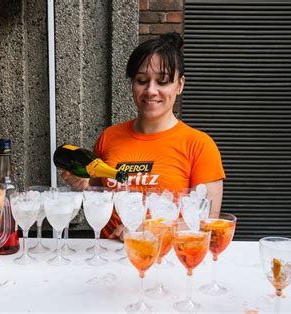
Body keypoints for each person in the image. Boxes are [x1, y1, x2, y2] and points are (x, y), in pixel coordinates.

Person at [62, 32, 225, 240]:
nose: (151, 90)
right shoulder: (109, 137)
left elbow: (208, 223)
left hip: (167, 262)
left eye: (163, 81)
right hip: (109, 259)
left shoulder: (199, 145)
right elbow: (97, 192)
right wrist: (83, 184)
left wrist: (152, 230)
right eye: (142, 80)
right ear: (132, 84)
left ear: (180, 84)